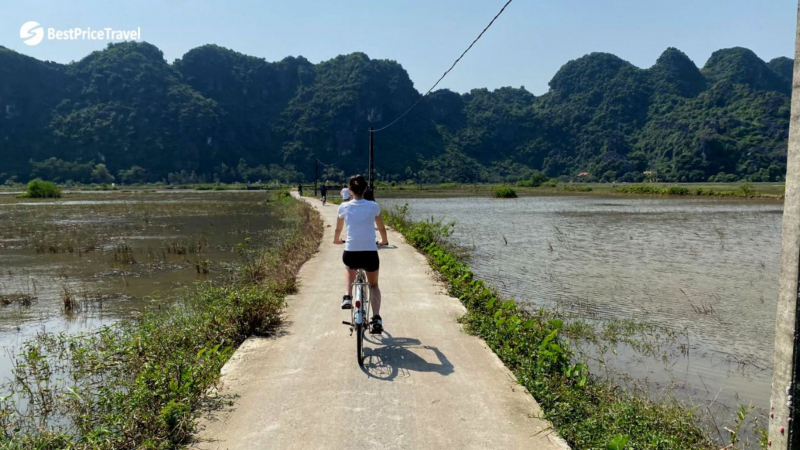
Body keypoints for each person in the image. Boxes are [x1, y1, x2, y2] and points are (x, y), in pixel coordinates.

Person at [334, 175, 388, 334]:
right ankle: (376, 318)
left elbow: (338, 229)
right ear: (365, 189)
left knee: (349, 266)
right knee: (374, 285)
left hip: (351, 251)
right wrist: (383, 241)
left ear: (349, 190)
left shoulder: (343, 207)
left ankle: (347, 296)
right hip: (370, 253)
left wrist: (337, 240)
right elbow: (382, 229)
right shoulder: (373, 206)